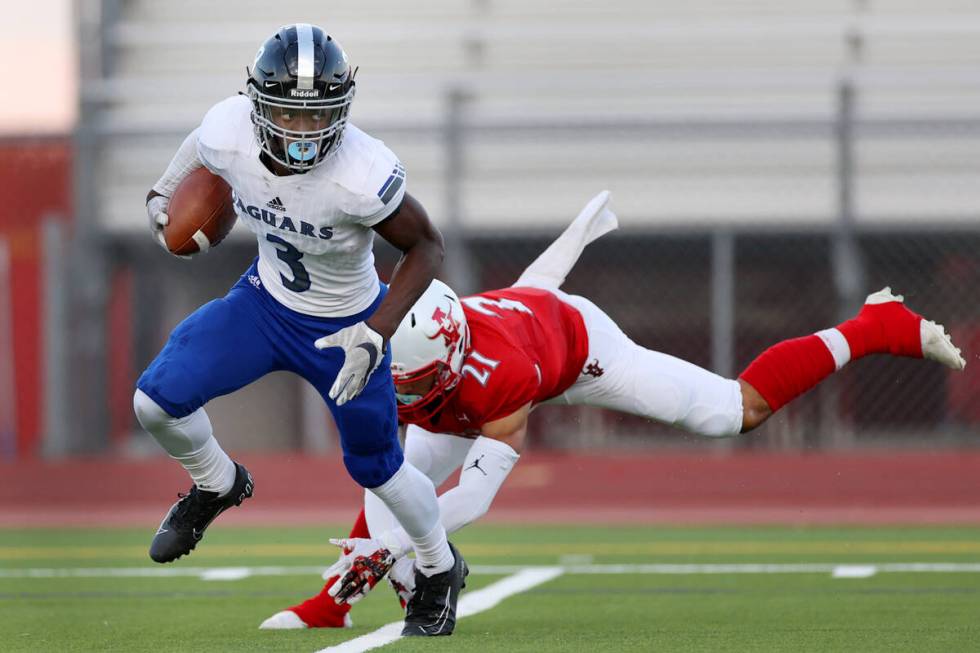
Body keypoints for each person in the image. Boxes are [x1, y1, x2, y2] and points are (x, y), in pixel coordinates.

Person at [259, 190, 966, 629]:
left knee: (732, 411)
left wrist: (390, 546)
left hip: (579, 348)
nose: (398, 392)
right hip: (515, 334)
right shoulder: (410, 342)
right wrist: (385, 543)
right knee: (396, 486)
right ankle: (336, 603)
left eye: (408, 383)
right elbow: (389, 462)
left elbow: (474, 491)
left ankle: (874, 325)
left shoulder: (496, 377)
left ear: (443, 361)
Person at [134, 24, 467, 637]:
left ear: (343, 112)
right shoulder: (228, 128)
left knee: (377, 468)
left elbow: (425, 245)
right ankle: (217, 484)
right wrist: (162, 189)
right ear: (258, 106)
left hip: (346, 328)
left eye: (318, 118)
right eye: (288, 113)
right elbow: (202, 146)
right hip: (264, 305)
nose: (303, 132)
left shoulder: (362, 173)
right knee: (154, 401)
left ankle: (438, 567)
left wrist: (377, 331)